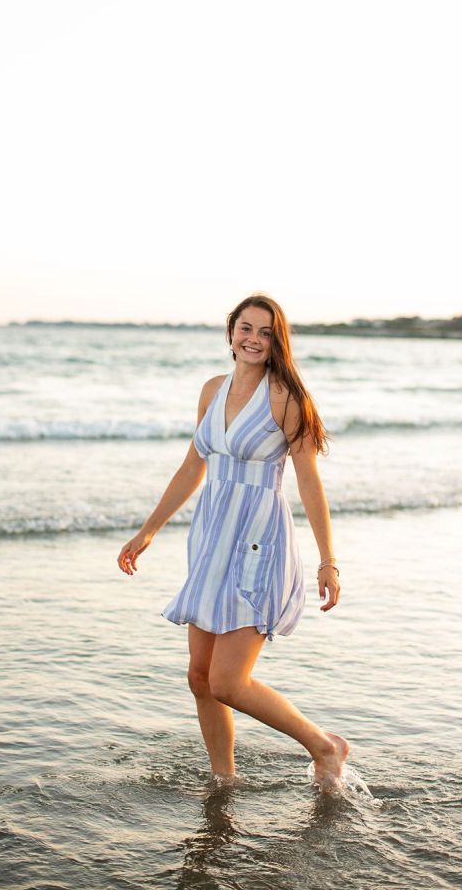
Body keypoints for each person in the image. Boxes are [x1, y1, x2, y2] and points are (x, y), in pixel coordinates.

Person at [117, 293, 349, 791]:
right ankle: (224, 781)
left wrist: (329, 560)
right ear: (231, 332)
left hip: (257, 541)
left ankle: (324, 746)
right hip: (210, 536)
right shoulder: (212, 390)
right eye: (246, 328)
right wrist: (148, 530)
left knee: (228, 681)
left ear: (277, 341)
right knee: (199, 677)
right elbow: (191, 466)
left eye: (265, 333)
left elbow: (309, 480)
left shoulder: (287, 398)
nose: (254, 339)